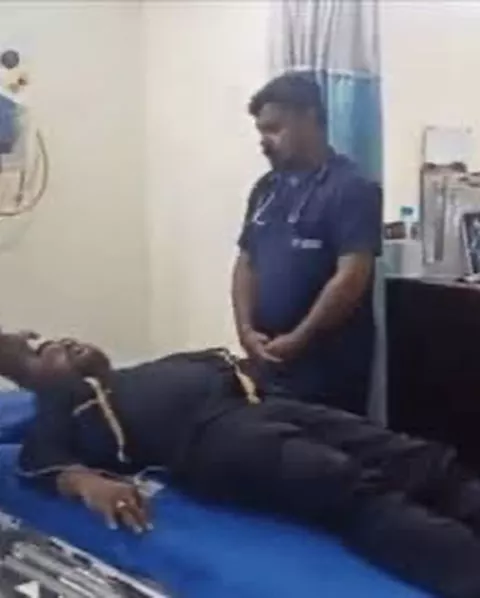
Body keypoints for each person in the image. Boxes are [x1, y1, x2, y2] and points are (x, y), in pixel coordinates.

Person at [13, 337, 480, 598]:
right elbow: (38, 459)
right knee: (346, 486)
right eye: (46, 349)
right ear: (36, 380)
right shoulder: (62, 403)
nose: (63, 340)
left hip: (263, 405)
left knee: (416, 458)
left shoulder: (138, 371)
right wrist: (87, 483)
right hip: (211, 441)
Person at [232, 73, 382, 414]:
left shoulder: (351, 188)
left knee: (329, 446)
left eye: (274, 129)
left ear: (310, 118)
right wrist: (246, 331)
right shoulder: (266, 190)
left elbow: (351, 277)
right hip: (268, 362)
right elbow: (246, 263)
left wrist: (300, 337)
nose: (264, 142)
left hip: (327, 369)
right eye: (261, 131)